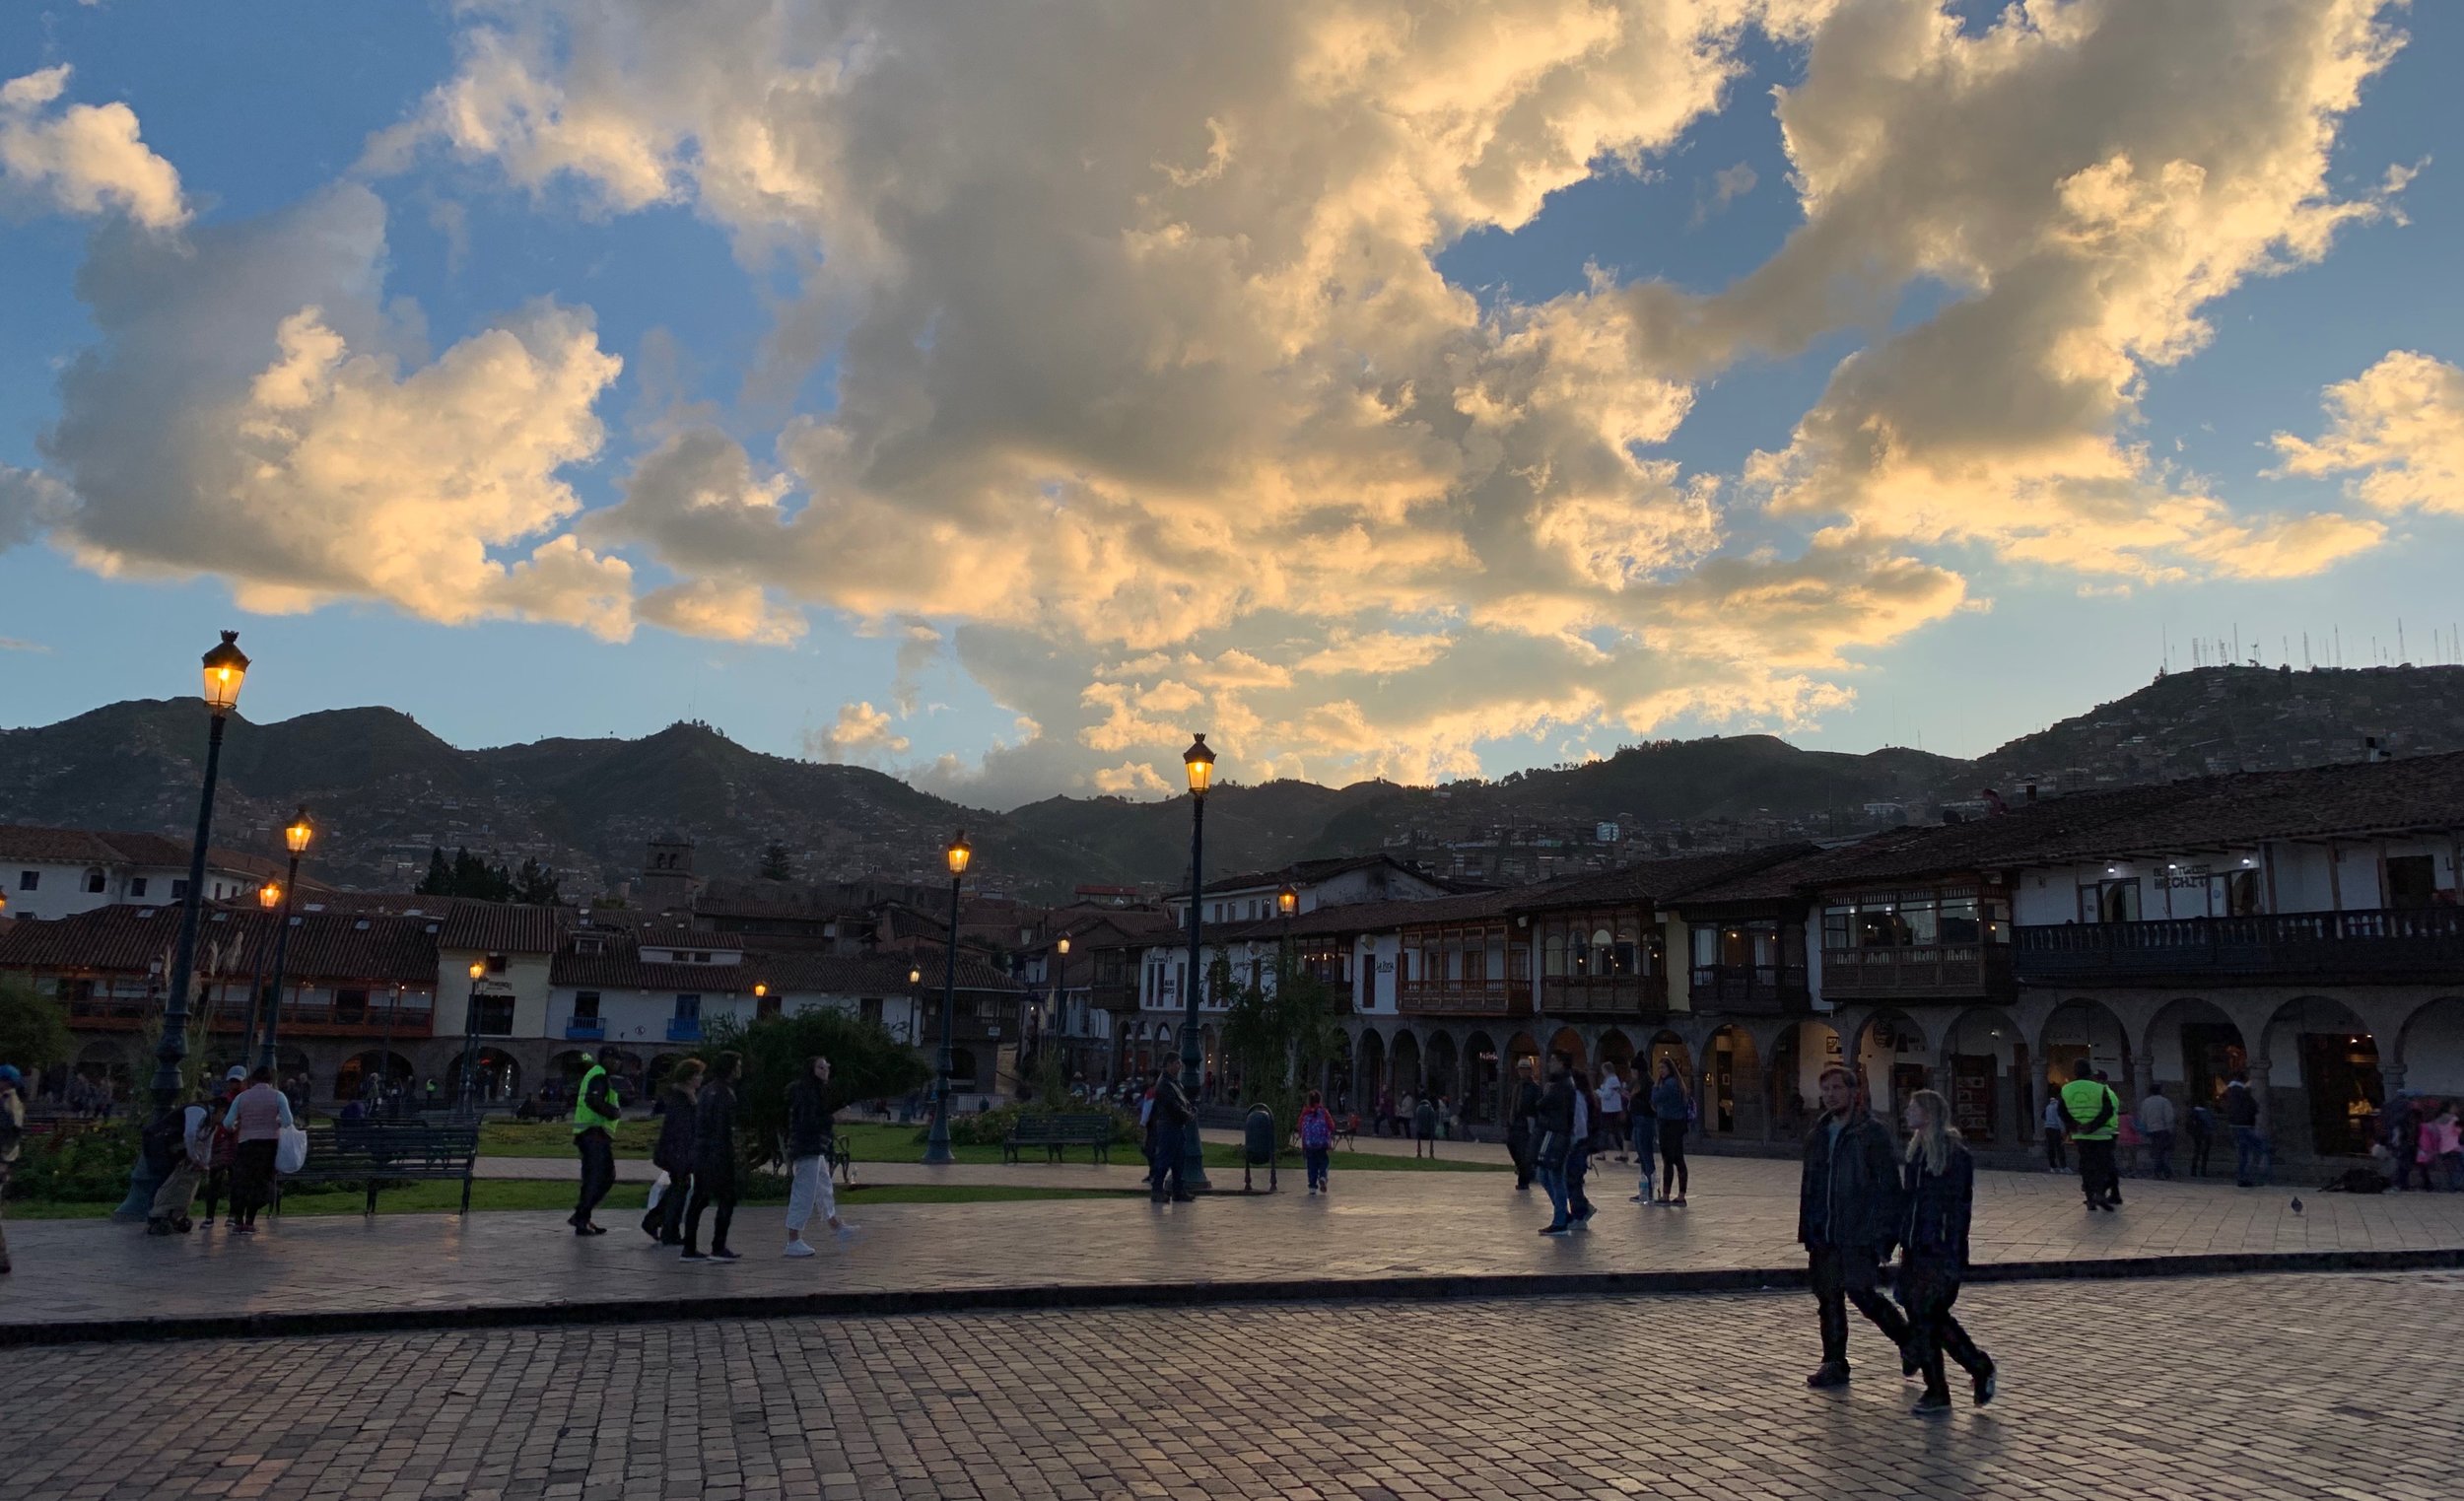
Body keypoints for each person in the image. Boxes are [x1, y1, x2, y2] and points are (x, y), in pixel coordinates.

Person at [1798, 1064, 1910, 1387]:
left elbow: (1889, 1185)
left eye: (1837, 1088)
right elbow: (1811, 1185)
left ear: (1853, 1092)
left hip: (1859, 1230)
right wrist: (1809, 1229)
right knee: (1828, 1298)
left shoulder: (1871, 1133)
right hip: (1825, 1232)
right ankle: (1834, 1362)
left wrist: (1886, 1235)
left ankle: (1908, 1341)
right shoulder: (1818, 1133)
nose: (1831, 1095)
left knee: (1862, 1293)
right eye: (1826, 1089)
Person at [1896, 1089, 1996, 1414]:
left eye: (1913, 1107)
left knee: (1928, 1318)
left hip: (1938, 1251)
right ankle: (1976, 1368)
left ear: (1929, 1112)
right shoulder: (1916, 1152)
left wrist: (1952, 1252)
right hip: (1914, 1248)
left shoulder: (1953, 1154)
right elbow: (1909, 1202)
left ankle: (1939, 1390)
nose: (1907, 1112)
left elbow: (1959, 1209)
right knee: (1930, 1320)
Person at [785, 1056, 855, 1256]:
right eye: (821, 1067)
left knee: (823, 1188)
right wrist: (833, 1118)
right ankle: (793, 1239)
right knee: (804, 1192)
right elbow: (808, 1122)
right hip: (807, 1147)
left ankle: (837, 1227)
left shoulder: (814, 1091)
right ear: (812, 1070)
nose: (825, 1071)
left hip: (815, 1148)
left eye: (827, 1067)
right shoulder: (807, 1092)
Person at [683, 1051, 743, 1262]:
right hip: (717, 1154)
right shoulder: (725, 1094)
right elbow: (722, 1129)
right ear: (730, 1068)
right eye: (738, 1065)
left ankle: (688, 1247)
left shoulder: (707, 1091)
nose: (740, 1069)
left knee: (699, 1199)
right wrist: (728, 1154)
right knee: (727, 1198)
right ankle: (718, 1246)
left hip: (701, 1152)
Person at [222, 1066, 294, 1233]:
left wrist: (237, 1127)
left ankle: (238, 1220)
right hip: (269, 1145)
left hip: (246, 1143)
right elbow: (287, 1121)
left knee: (242, 1181)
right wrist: (275, 1122)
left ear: (252, 1080)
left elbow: (227, 1123)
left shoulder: (242, 1097)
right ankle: (250, 1221)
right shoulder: (278, 1096)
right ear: (270, 1080)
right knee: (261, 1182)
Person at [644, 1059, 704, 1244]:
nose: (700, 1079)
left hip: (681, 1153)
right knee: (679, 1189)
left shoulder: (687, 1097)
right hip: (676, 1153)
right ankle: (669, 1231)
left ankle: (656, 1222)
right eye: (698, 1075)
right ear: (688, 1078)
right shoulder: (680, 1099)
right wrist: (682, 1158)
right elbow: (680, 1131)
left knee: (679, 1188)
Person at [569, 1051, 621, 1236]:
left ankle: (582, 1217)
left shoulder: (597, 1074)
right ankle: (581, 1216)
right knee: (602, 1177)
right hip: (594, 1134)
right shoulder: (599, 1076)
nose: (618, 1063)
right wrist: (612, 1112)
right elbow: (593, 1100)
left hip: (590, 1134)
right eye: (616, 1059)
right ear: (607, 1059)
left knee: (595, 1178)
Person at [2058, 1059, 2122, 1211]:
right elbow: (2108, 1110)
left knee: (2086, 1166)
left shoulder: (2066, 1089)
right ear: (2089, 1072)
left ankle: (2090, 1198)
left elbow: (2061, 1110)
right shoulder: (2100, 1089)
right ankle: (2100, 1193)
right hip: (2102, 1135)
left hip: (2080, 1136)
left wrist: (2074, 1125)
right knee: (2102, 1165)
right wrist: (2092, 1126)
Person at [1534, 1051, 1578, 1235]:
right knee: (1545, 1173)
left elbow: (1543, 1104)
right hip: (1556, 1131)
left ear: (1562, 1063)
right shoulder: (1561, 1083)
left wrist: (1543, 1096)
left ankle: (1560, 1219)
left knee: (1554, 1175)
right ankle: (1562, 1214)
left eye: (1553, 1060)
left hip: (1558, 1133)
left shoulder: (1562, 1085)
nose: (1549, 1064)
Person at [1147, 1064, 1193, 1202]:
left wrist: (1188, 1110)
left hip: (1177, 1126)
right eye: (1177, 1064)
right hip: (1168, 1126)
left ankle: (1178, 1190)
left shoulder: (1174, 1082)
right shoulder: (1164, 1084)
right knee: (1165, 1159)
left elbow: (1182, 1101)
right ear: (1170, 1064)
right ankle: (1157, 1190)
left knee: (1179, 1160)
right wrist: (1186, 1115)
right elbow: (1172, 1105)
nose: (1179, 1067)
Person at [1651, 1058, 1691, 1207]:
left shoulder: (1669, 1084)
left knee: (1670, 1159)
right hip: (1675, 1124)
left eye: (1663, 1068)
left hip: (1669, 1124)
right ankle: (1680, 1195)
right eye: (1659, 1068)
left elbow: (1655, 1098)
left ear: (1669, 1069)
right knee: (1676, 1158)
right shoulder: (1676, 1083)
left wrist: (1655, 1087)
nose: (1660, 1071)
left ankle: (1668, 1195)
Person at [1565, 1067, 1598, 1228]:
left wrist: (1573, 1142)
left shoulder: (1578, 1097)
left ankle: (1580, 1213)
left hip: (1579, 1144)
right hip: (1583, 1143)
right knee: (1573, 1179)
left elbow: (1580, 1124)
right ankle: (1581, 1208)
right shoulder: (1586, 1097)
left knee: (1573, 1179)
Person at [2223, 1072, 2267, 1187]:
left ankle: (2243, 1177)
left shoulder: (2230, 1092)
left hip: (2235, 1125)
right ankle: (2249, 1176)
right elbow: (2253, 1107)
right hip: (2244, 1125)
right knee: (2259, 1147)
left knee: (2243, 1153)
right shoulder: (2242, 1092)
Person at [0, 1063, 22, 1274]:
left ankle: (3, 1257)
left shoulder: (10, 1103)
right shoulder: (4, 1100)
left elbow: (11, 1135)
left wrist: (5, 1162)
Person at [1508, 1058, 1541, 1192]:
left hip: (1527, 1122)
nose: (1522, 1072)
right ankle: (1526, 1172)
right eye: (1520, 1069)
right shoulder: (1516, 1086)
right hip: (1515, 1121)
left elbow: (1538, 1106)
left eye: (1524, 1069)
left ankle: (1524, 1180)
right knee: (1512, 1146)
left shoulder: (1534, 1088)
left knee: (1523, 1152)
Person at [2138, 1083, 2177, 1181]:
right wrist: (2170, 1129)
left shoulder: (2145, 1102)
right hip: (2163, 1129)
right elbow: (2169, 1116)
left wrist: (2145, 1129)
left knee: (2156, 1152)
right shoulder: (2164, 1101)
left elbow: (2143, 1118)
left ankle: (2159, 1172)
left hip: (2151, 1130)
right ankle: (2163, 1172)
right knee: (2163, 1152)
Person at [1298, 1090, 1335, 1194]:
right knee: (1324, 1161)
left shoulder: (1305, 1112)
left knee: (1311, 1165)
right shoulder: (1323, 1112)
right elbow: (1331, 1125)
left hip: (1309, 1144)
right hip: (1322, 1144)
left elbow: (1300, 1126)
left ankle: (1312, 1187)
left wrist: (1302, 1134)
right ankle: (1323, 1176)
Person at [1627, 1083, 1659, 1205]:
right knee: (1643, 1158)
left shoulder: (1647, 1084)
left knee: (1646, 1158)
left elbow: (1650, 1104)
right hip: (1639, 1121)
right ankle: (1645, 1190)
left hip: (1645, 1122)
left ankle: (1649, 1190)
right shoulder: (1639, 1083)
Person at [1598, 1064, 1629, 1165]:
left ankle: (1602, 1153)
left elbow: (1607, 1095)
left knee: (1604, 1131)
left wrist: (1598, 1092)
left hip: (1609, 1110)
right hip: (1611, 1109)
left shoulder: (1611, 1080)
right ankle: (1623, 1152)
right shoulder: (1611, 1079)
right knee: (1614, 1132)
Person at [2186, 1096, 2216, 1178]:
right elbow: (2212, 1124)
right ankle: (2203, 1171)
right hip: (2207, 1134)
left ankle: (2193, 1170)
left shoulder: (2193, 1112)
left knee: (2196, 1152)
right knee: (2205, 1153)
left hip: (2197, 1134)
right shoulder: (2207, 1112)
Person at [2041, 1093, 2067, 1173]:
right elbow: (2059, 1118)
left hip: (2048, 1128)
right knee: (2059, 1147)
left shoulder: (2048, 1106)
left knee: (2051, 1147)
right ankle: (2063, 1166)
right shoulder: (2058, 1106)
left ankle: (2053, 1166)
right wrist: (2063, 1130)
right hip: (2056, 1128)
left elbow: (2043, 1116)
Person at [1411, 1092, 1438, 1159]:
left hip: (1420, 1131)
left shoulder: (1418, 1108)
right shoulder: (1430, 1109)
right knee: (1431, 1140)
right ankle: (1431, 1153)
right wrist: (1433, 1131)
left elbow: (1417, 1120)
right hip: (1429, 1131)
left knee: (1419, 1140)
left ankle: (1419, 1153)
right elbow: (1432, 1122)